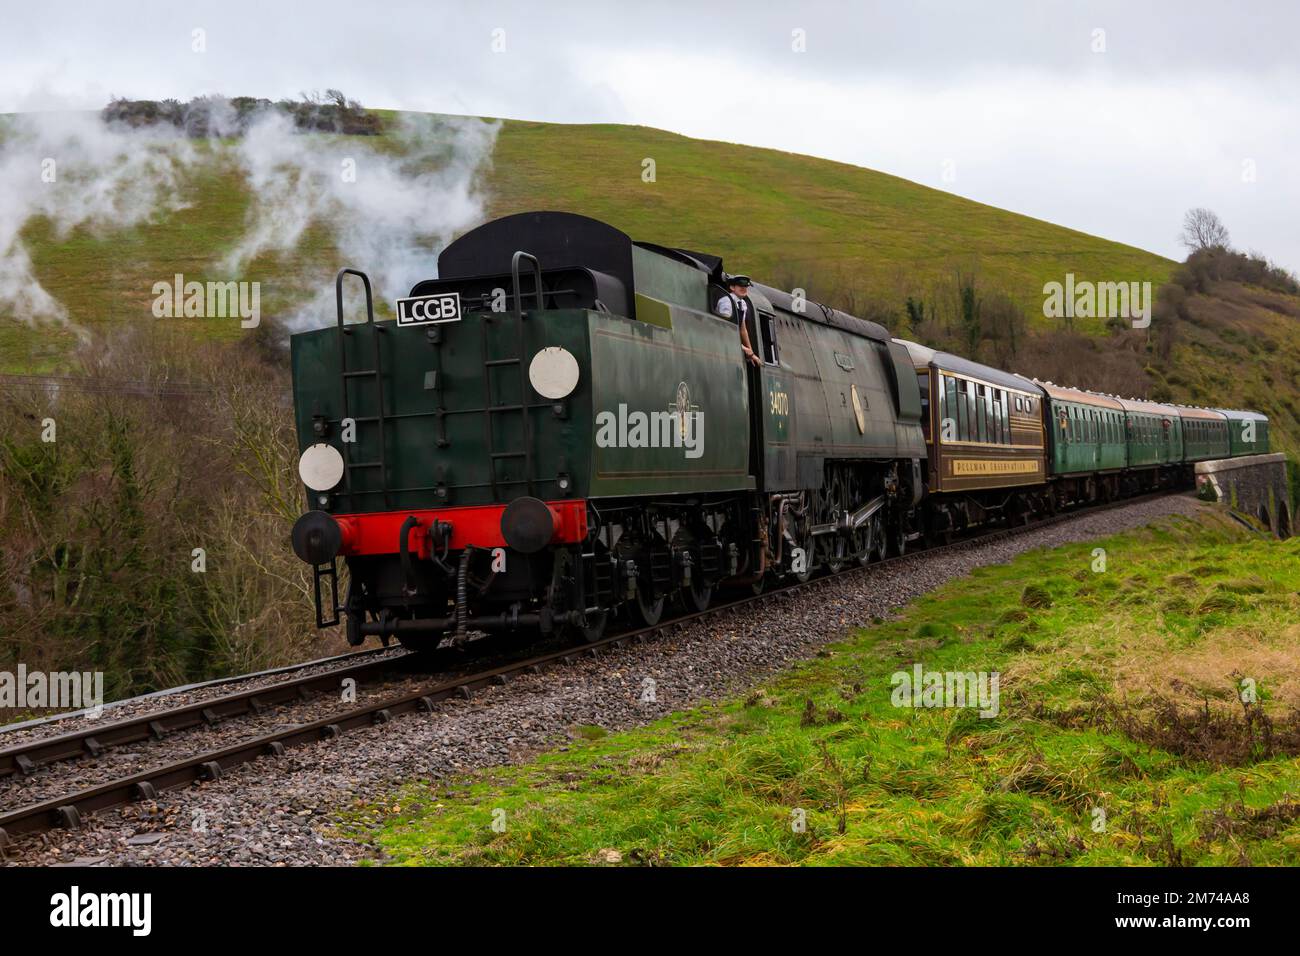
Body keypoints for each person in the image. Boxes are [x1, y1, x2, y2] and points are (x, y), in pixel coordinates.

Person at [714, 274, 763, 367]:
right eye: (740, 286)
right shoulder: (726, 302)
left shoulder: (742, 304)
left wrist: (751, 351)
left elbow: (742, 329)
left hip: (733, 342)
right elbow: (724, 329)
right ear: (732, 287)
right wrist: (744, 349)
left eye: (745, 286)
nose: (744, 288)